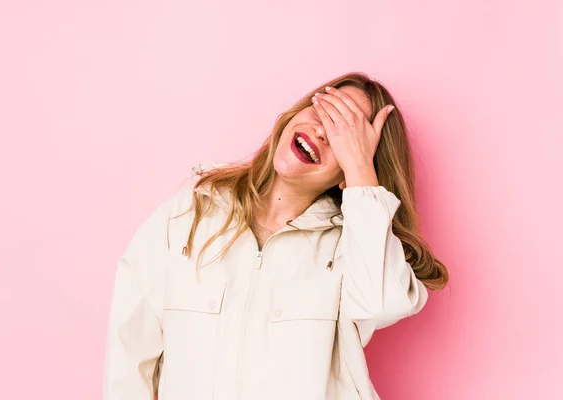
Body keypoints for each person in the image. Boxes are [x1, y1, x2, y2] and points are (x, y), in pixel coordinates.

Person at [102, 72, 449, 400]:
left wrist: (360, 172)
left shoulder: (354, 248)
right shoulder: (189, 212)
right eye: (323, 111)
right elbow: (130, 348)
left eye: (346, 134)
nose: (324, 132)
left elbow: (382, 303)